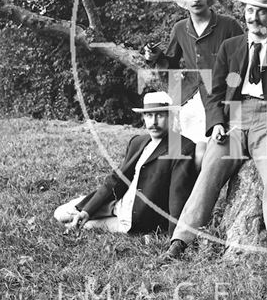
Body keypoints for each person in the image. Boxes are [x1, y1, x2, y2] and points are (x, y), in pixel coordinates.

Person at [161, 0, 267, 266]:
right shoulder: (231, 47)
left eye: (262, 12)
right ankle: (180, 240)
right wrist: (216, 124)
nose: (254, 18)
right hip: (233, 122)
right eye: (250, 11)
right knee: (209, 170)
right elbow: (215, 93)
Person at [53, 91, 198, 235]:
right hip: (116, 205)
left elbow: (178, 197)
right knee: (60, 214)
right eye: (149, 115)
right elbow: (117, 180)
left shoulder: (182, 148)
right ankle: (92, 211)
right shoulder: (138, 142)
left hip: (134, 219)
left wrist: (175, 237)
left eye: (160, 115)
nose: (153, 122)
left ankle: (100, 222)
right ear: (143, 117)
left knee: (87, 226)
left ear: (170, 117)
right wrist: (87, 210)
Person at [144, 0, 243, 169]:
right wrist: (154, 57)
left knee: (204, 151)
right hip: (190, 95)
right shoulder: (180, 28)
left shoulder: (228, 25)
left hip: (220, 96)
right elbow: (170, 64)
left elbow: (243, 61)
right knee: (180, 152)